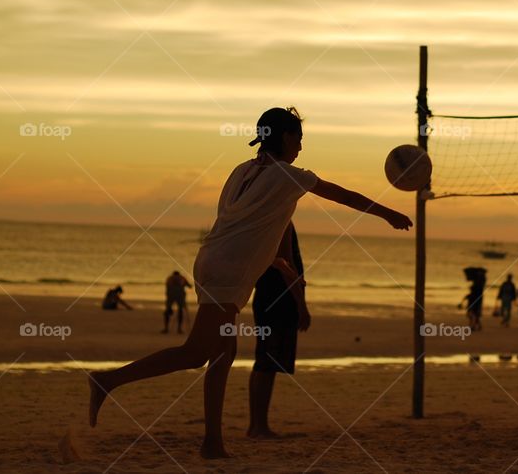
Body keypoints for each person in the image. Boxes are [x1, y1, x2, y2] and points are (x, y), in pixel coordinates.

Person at [86, 107, 412, 459]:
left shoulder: (241, 171)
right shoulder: (291, 176)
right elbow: (344, 196)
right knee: (196, 353)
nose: (301, 146)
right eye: (299, 138)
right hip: (228, 272)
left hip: (211, 260)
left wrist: (278, 263)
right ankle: (107, 381)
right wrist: (389, 213)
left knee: (223, 353)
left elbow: (242, 226)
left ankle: (212, 442)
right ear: (286, 137)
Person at [248, 221, 307, 438]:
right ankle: (258, 426)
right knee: (267, 363)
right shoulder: (281, 220)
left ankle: (256, 424)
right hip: (278, 299)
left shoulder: (264, 218)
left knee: (264, 362)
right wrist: (301, 303)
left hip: (266, 296)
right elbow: (286, 263)